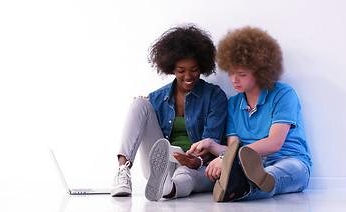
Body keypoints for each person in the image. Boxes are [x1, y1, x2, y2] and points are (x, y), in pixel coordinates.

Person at [187, 26, 311, 202]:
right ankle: (241, 185)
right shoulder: (234, 103)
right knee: (250, 173)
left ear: (261, 72)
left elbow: (274, 143)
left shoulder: (283, 94)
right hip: (250, 164)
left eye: (242, 74)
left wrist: (226, 158)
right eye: (231, 73)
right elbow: (234, 149)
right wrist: (212, 146)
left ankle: (242, 186)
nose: (234, 80)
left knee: (271, 175)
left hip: (289, 161)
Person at [111, 25, 228, 201]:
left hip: (198, 165)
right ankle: (123, 172)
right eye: (181, 70)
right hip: (162, 163)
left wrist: (195, 161)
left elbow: (212, 142)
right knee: (139, 103)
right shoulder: (157, 98)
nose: (188, 76)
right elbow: (148, 135)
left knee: (186, 174)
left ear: (202, 66)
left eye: (194, 69)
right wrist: (143, 107)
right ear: (171, 68)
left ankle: (168, 188)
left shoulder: (214, 96)